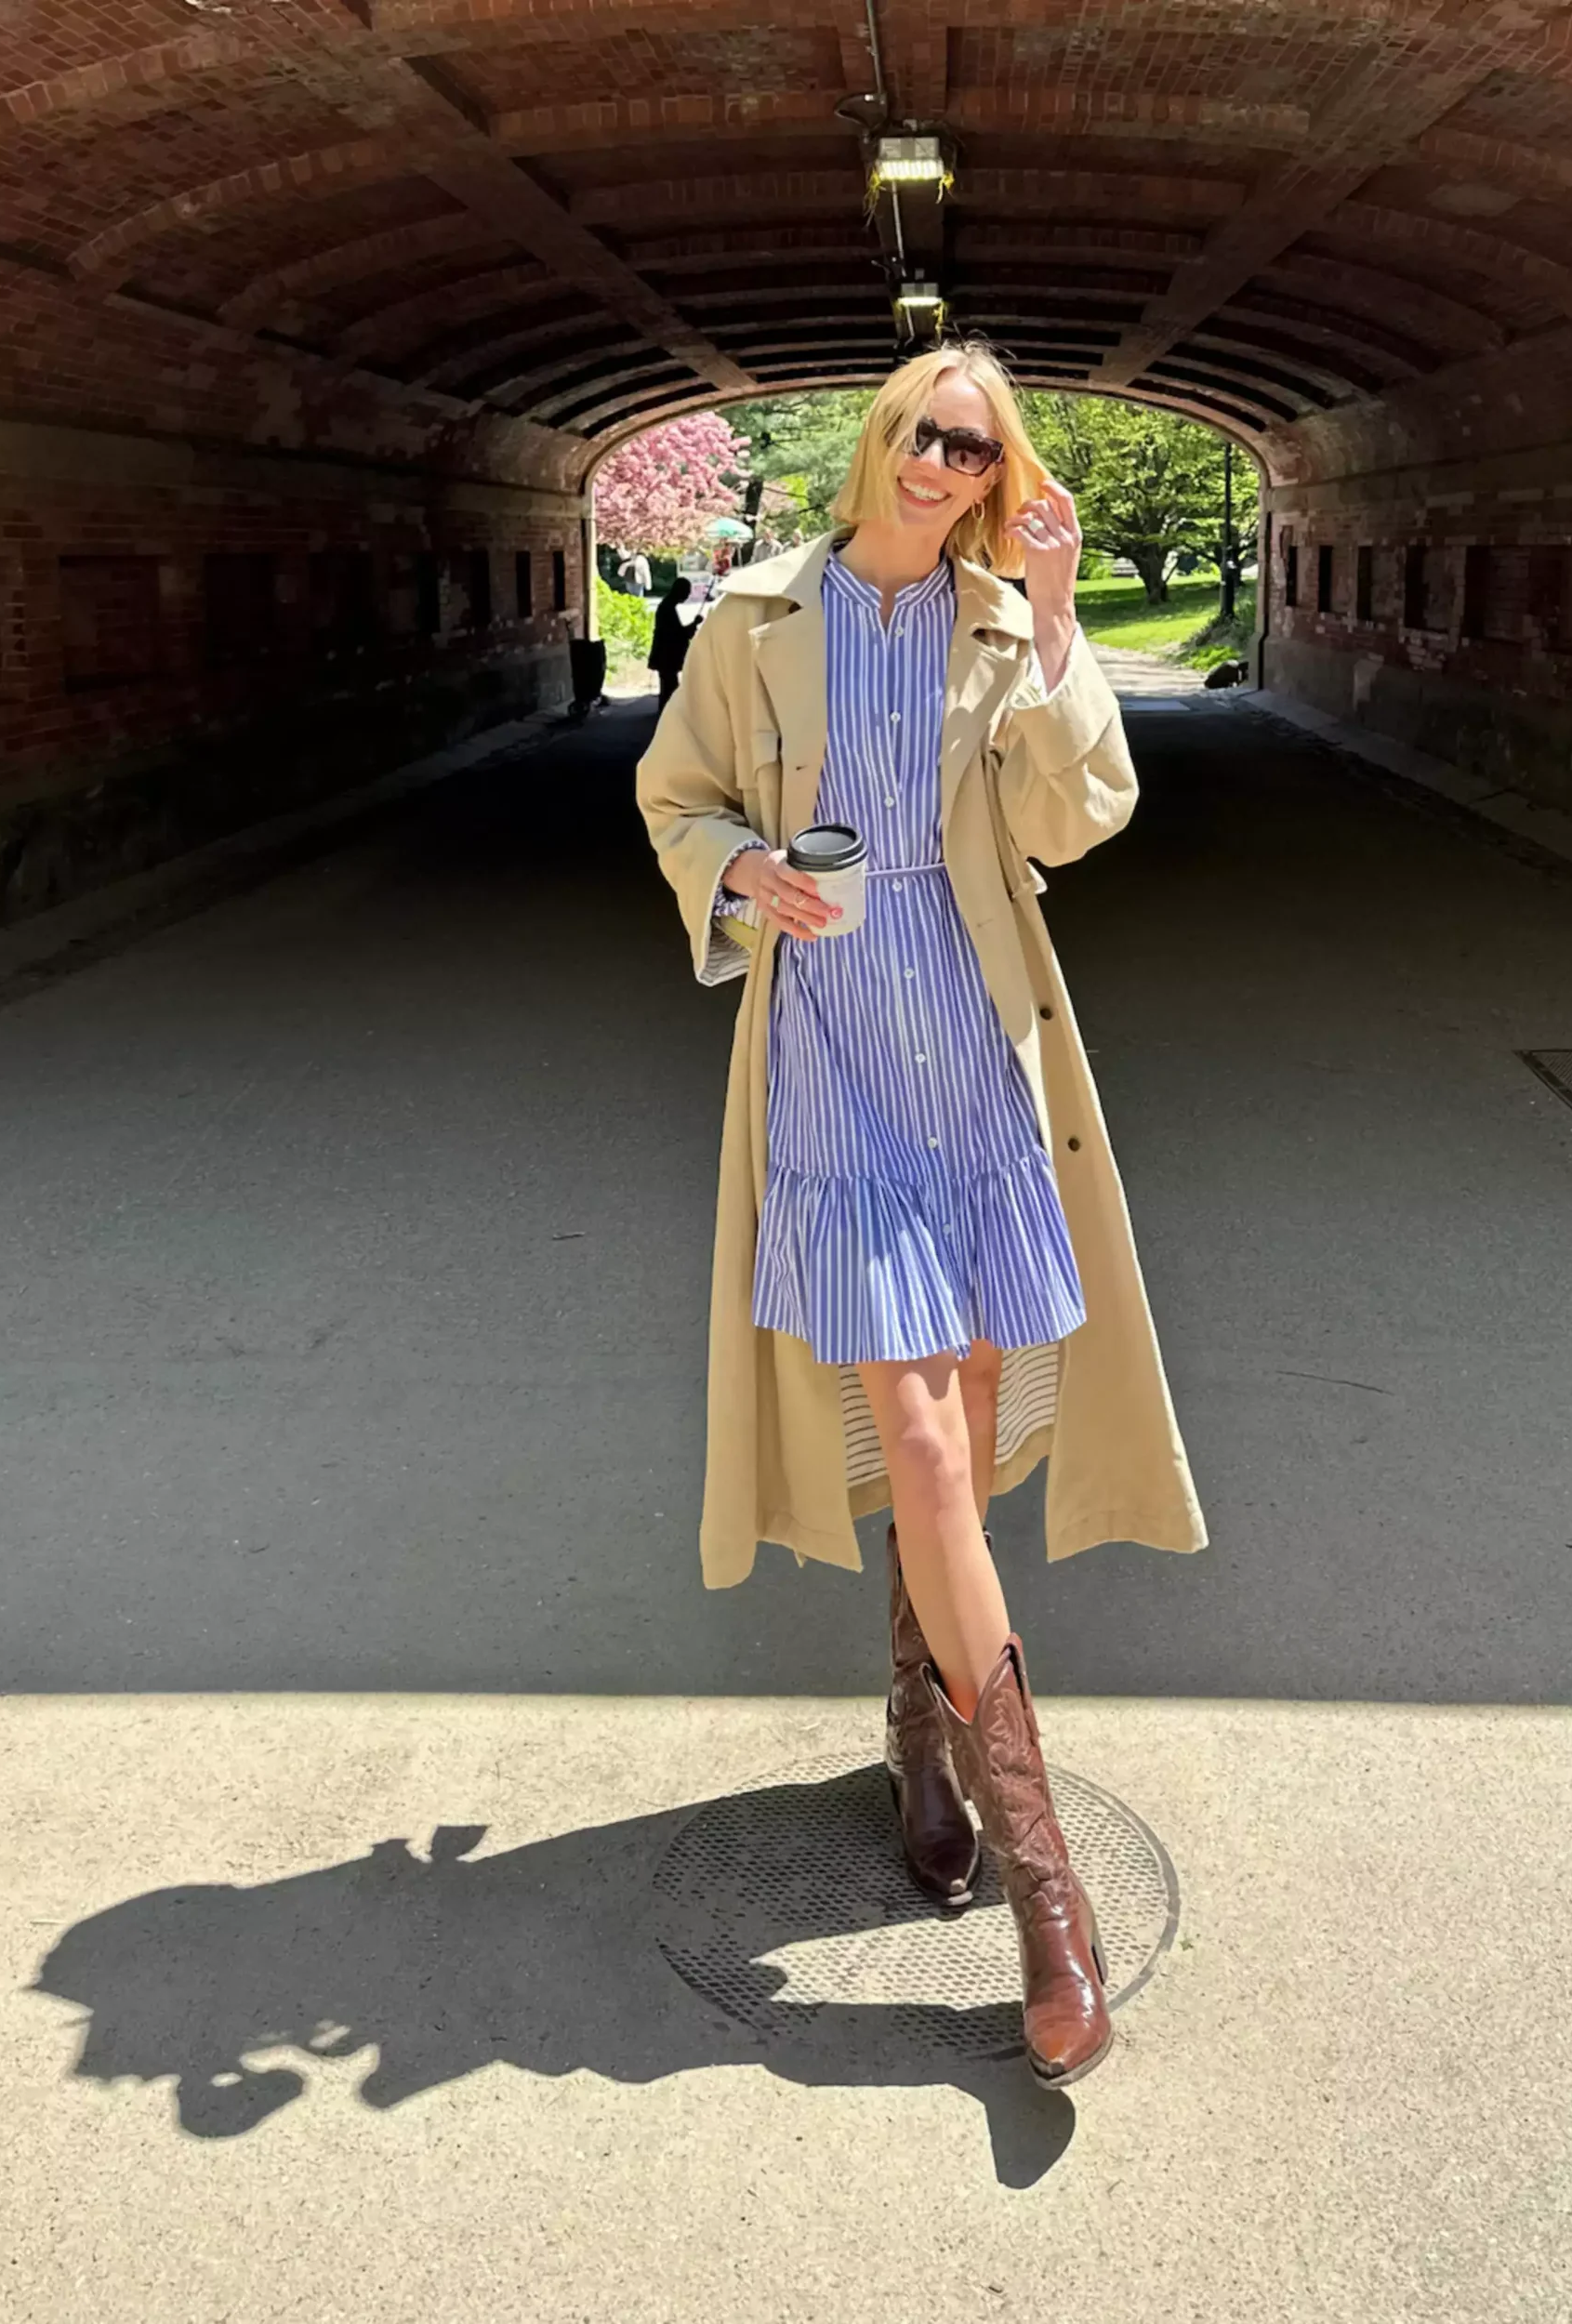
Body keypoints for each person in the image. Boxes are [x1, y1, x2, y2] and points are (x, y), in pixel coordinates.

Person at [635, 342, 1204, 2090]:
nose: (943, 465)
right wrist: (744, 871)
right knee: (932, 1452)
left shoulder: (999, 625)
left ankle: (919, 1732)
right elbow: (675, 798)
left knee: (959, 1436)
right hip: (829, 1066)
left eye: (976, 449)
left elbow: (1078, 818)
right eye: (924, 432)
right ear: (879, 436)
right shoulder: (757, 618)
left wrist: (1059, 614)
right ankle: (1051, 1897)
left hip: (974, 1058)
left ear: (996, 477)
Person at [646, 574, 694, 706]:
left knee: (668, 687)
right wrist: (693, 625)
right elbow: (676, 634)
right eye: (687, 592)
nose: (687, 596)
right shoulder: (667, 608)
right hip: (667, 656)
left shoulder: (666, 606)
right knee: (669, 689)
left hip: (665, 656)